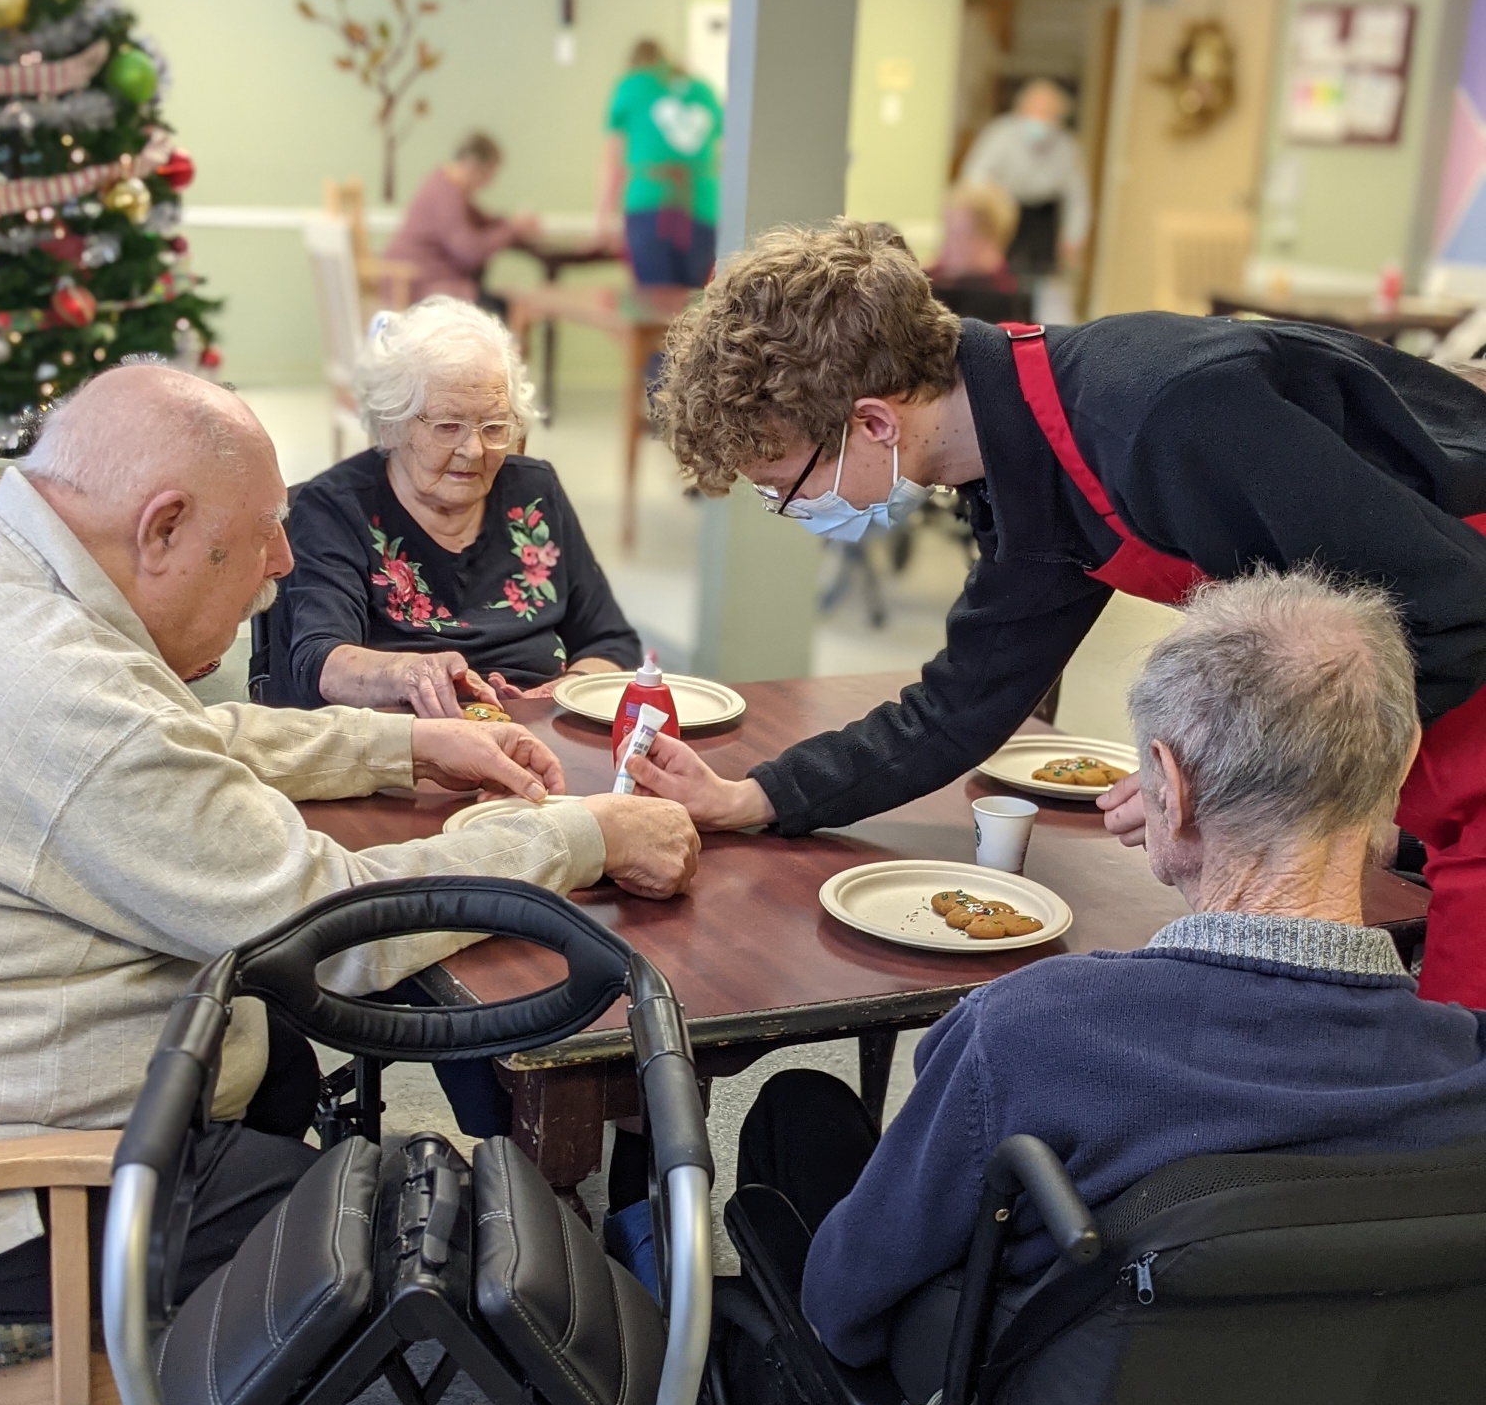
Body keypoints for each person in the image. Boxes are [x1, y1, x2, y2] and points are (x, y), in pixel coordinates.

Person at [0, 363, 697, 1355]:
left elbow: (178, 734)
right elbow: (332, 929)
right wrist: (584, 834)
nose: (280, 562)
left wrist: (400, 745)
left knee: (305, 1085)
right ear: (163, 528)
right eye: (262, 532)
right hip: (56, 1185)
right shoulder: (62, 700)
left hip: (84, 1100)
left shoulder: (14, 583)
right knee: (470, 1247)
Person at [630, 219, 1486, 1007]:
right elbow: (961, 706)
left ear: (873, 422)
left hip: (1461, 647)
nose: (793, 507)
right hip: (1416, 703)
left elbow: (1450, 608)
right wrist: (754, 797)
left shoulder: (1158, 412)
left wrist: (1220, 780)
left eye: (788, 485)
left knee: (1456, 1071)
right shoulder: (1023, 464)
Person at [760, 572, 1486, 1367]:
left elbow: (844, 1308)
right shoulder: (1463, 1070)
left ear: (1170, 790)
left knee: (798, 1115)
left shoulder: (1030, 1033)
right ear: (1400, 763)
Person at [270, 298, 641, 712]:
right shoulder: (335, 508)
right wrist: (414, 677)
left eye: (495, 426)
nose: (474, 449)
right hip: (406, 744)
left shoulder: (534, 491)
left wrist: (561, 693)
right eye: (449, 426)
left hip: (539, 733)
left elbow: (610, 642)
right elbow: (320, 662)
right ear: (392, 424)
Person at [596, 38, 722, 290]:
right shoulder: (705, 91)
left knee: (654, 305)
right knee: (696, 304)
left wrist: (602, 221)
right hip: (703, 209)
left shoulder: (630, 86)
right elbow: (721, 157)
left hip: (649, 204)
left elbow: (613, 162)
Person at [381, 131, 538, 307]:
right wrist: (512, 229)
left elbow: (482, 220)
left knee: (513, 304)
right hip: (419, 286)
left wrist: (511, 225)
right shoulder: (444, 193)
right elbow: (469, 252)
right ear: (474, 167)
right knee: (511, 308)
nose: (490, 183)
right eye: (489, 174)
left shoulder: (448, 187)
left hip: (430, 283)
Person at [958, 78, 1091, 283]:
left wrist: (1073, 237)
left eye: (1047, 112)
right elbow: (974, 175)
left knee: (1038, 278)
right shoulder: (1000, 134)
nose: (1039, 118)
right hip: (1005, 208)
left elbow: (1077, 198)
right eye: (1034, 110)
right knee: (999, 275)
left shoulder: (1067, 148)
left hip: (1043, 215)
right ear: (1020, 110)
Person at [928, 182, 1029, 324]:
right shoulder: (936, 278)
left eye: (956, 235)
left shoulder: (1006, 301)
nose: (945, 246)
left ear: (986, 241)